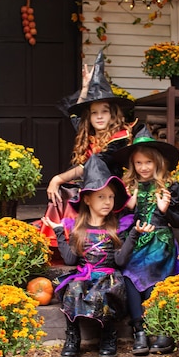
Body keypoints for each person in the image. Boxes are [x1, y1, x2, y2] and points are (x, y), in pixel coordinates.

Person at [41, 155, 154, 357]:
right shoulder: (77, 229)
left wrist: (135, 235)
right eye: (101, 197)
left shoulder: (117, 227)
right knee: (72, 288)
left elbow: (120, 261)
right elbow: (70, 261)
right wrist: (59, 232)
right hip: (85, 275)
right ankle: (72, 337)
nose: (107, 202)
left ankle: (108, 335)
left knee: (105, 290)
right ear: (87, 199)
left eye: (110, 197)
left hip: (109, 276)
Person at [41, 49, 135, 248]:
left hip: (108, 192)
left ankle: (78, 243)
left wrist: (57, 178)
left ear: (113, 115)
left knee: (67, 188)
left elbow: (91, 165)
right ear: (90, 117)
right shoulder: (89, 134)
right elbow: (75, 117)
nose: (99, 117)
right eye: (94, 113)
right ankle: (61, 242)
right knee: (61, 195)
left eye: (104, 112)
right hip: (90, 188)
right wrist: (85, 90)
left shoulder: (118, 138)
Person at [113, 126, 179, 356]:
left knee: (153, 271)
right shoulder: (128, 188)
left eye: (148, 163)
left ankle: (160, 327)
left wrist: (165, 211)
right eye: (138, 163)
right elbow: (117, 219)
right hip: (135, 239)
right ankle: (139, 330)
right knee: (129, 274)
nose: (143, 168)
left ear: (157, 163)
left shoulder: (169, 187)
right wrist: (127, 207)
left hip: (160, 242)